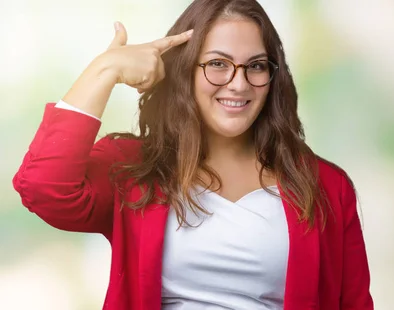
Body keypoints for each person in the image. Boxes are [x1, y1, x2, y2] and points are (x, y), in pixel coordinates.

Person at [12, 0, 373, 309]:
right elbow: (45, 188)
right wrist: (104, 70)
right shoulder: (135, 170)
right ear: (185, 70)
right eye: (218, 63)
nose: (239, 83)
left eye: (256, 66)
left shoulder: (325, 186)